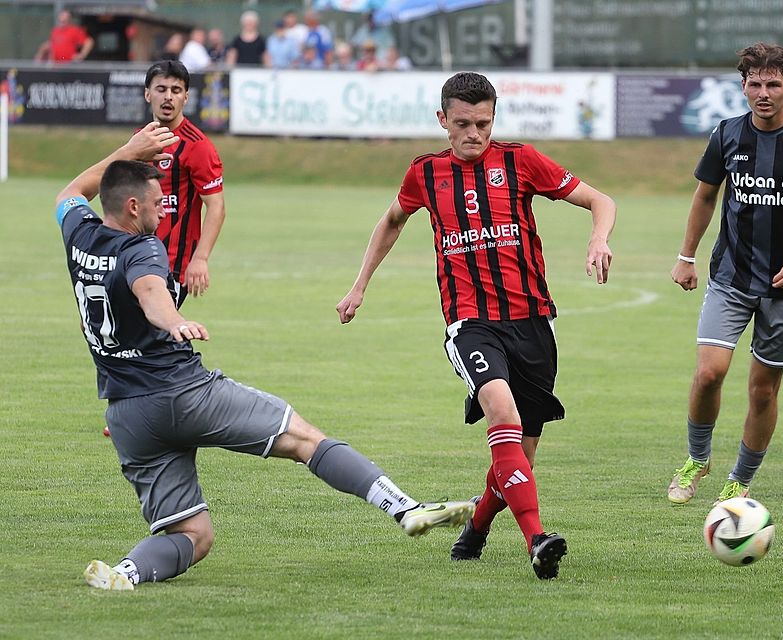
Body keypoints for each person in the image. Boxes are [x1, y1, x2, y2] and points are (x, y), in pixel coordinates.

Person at [57, 124, 475, 592]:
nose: (163, 210)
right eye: (157, 204)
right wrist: (172, 320)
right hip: (183, 393)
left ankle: (125, 573)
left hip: (129, 415)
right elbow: (150, 292)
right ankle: (405, 508)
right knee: (305, 439)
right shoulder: (142, 248)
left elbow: (71, 191)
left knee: (191, 535)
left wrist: (125, 152)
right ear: (133, 207)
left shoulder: (78, 231)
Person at [336, 72, 616, 580]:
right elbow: (393, 220)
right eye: (462, 123)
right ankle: (538, 538)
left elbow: (602, 201)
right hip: (470, 323)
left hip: (533, 324)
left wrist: (598, 239)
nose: (474, 133)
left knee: (519, 458)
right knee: (501, 413)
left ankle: (477, 528)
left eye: (483, 123)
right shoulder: (424, 172)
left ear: (494, 119)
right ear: (442, 120)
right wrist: (359, 285)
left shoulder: (521, 160)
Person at [667, 43, 783, 505]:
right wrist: (686, 255)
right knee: (710, 373)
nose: (763, 93)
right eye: (754, 84)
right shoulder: (726, 135)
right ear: (743, 86)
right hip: (731, 276)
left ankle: (740, 482)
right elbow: (705, 197)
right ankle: (696, 459)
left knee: (763, 392)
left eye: (772, 84)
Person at [142, 60, 225, 307]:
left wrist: (200, 258)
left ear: (186, 97)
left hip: (171, 264)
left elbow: (217, 206)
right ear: (148, 94)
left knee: (154, 334)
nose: (168, 97)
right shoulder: (140, 138)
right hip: (134, 256)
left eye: (176, 91)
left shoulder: (197, 146)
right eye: (161, 89)